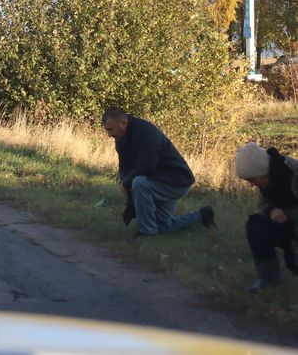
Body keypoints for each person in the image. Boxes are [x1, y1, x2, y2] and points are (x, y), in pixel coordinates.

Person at [101, 107, 214, 237]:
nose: (109, 135)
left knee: (139, 183)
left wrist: (128, 182)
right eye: (107, 130)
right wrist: (124, 181)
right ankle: (202, 216)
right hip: (158, 180)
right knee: (163, 227)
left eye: (110, 129)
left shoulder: (146, 132)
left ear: (123, 122)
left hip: (176, 180)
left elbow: (147, 166)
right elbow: (124, 166)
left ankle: (147, 233)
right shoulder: (121, 139)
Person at [235, 142, 298, 292]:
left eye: (252, 179)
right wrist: (271, 210)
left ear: (262, 171)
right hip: (289, 225)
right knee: (255, 225)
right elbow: (262, 205)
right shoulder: (265, 180)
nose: (251, 185)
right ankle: (268, 279)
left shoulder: (292, 172)